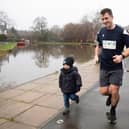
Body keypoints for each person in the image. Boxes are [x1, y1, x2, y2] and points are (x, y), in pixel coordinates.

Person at [94, 8, 129, 122]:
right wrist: (96, 56)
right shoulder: (101, 32)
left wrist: (122, 56)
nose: (104, 21)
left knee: (114, 90)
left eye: (106, 18)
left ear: (112, 17)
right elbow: (98, 46)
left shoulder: (121, 32)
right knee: (104, 91)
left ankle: (113, 110)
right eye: (102, 19)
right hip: (104, 67)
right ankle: (111, 96)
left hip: (116, 68)